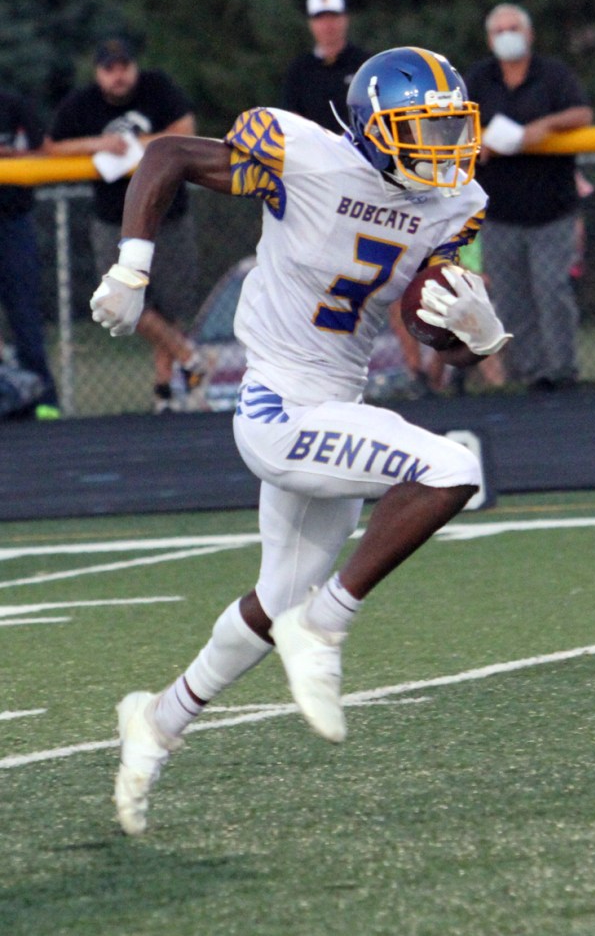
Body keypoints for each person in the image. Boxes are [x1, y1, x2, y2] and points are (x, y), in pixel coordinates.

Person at [90, 46, 512, 835]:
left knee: (275, 599)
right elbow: (168, 155)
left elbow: (434, 324)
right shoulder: (302, 154)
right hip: (277, 407)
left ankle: (157, 719)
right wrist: (131, 269)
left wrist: (478, 337)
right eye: (424, 129)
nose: (445, 145)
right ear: (374, 127)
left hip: (335, 408)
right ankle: (329, 622)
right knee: (452, 466)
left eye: (451, 126)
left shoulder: (451, 203)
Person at [45, 37, 209, 412]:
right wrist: (98, 143)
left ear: (135, 67)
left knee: (170, 305)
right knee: (121, 301)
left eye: (124, 67)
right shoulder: (83, 103)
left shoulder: (156, 87)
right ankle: (189, 356)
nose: (118, 76)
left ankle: (164, 392)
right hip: (114, 220)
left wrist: (138, 142)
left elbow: (186, 127)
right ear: (98, 73)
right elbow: (51, 146)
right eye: (109, 69)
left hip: (166, 212)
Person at [464, 3, 594, 392]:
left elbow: (583, 115)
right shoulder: (479, 79)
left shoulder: (553, 75)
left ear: (530, 33)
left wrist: (543, 126)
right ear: (489, 39)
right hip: (500, 211)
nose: (507, 35)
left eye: (514, 28)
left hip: (552, 209)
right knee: (510, 298)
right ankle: (527, 375)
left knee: (552, 290)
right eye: (499, 30)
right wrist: (483, 140)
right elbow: (454, 123)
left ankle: (562, 371)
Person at [0, 88, 60, 419]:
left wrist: (10, 156)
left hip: (13, 220)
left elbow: (45, 151)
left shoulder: (13, 104)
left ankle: (43, 400)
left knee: (25, 315)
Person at [282, 0, 371, 132]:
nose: (327, 25)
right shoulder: (299, 70)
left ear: (345, 19)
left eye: (333, 17)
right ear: (311, 23)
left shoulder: (364, 64)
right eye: (320, 18)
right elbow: (292, 115)